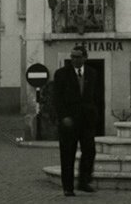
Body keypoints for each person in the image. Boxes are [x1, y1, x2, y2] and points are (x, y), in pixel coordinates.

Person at [52, 45, 101, 195]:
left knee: (89, 151)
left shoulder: (92, 73)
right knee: (67, 154)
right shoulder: (61, 74)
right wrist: (63, 117)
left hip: (87, 122)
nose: (74, 59)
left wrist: (95, 115)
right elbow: (57, 98)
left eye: (78, 56)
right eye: (72, 56)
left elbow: (97, 96)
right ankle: (68, 187)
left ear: (85, 58)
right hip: (69, 122)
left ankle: (83, 181)